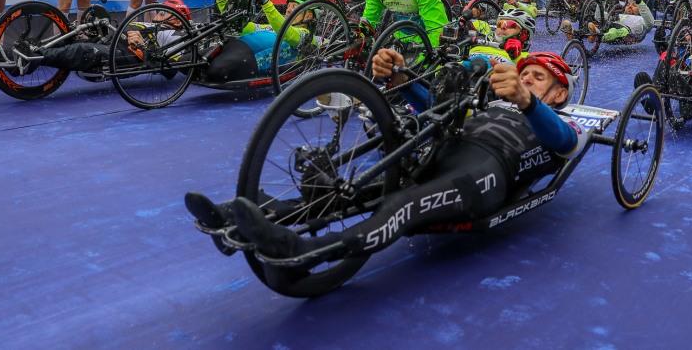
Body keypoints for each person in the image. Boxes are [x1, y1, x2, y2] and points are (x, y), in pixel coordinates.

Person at [187, 51, 587, 266]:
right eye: (525, 73)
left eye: (538, 77)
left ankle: (300, 251)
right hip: (445, 155)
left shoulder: (560, 120)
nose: (527, 78)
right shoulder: (493, 105)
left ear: (559, 94)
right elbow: (436, 107)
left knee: (400, 206)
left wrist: (527, 99)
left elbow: (567, 144)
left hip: (484, 176)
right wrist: (400, 78)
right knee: (357, 196)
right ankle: (241, 219)